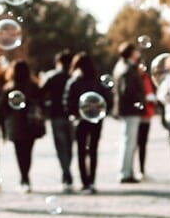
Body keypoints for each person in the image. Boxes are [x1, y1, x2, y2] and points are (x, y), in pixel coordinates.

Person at [63, 53, 108, 193]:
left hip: (80, 120)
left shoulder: (74, 81)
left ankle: (85, 182)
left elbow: (67, 101)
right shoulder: (97, 80)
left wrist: (73, 114)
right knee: (93, 150)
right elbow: (106, 98)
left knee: (81, 151)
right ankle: (92, 181)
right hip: (96, 119)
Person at [0, 60, 45, 192]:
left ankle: (23, 178)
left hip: (16, 125)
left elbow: (2, 110)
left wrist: (3, 129)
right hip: (30, 124)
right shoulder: (33, 85)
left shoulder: (9, 87)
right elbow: (41, 102)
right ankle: (25, 177)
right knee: (28, 152)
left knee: (19, 153)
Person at [41, 50, 76, 192]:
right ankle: (67, 172)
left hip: (56, 116)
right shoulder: (73, 76)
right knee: (69, 147)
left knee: (61, 147)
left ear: (58, 62)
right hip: (72, 116)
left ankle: (66, 173)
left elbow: (41, 94)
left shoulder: (52, 77)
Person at [112, 42, 146, 183]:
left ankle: (128, 172)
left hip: (127, 109)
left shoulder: (121, 66)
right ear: (131, 53)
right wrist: (141, 99)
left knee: (128, 141)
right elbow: (127, 91)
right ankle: (125, 173)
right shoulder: (127, 69)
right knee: (129, 142)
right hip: (130, 110)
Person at [136, 62, 155, 179]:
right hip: (137, 115)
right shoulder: (134, 78)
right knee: (136, 144)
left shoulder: (146, 78)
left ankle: (142, 169)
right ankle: (133, 170)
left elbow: (149, 93)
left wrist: (152, 99)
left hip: (147, 114)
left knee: (143, 144)